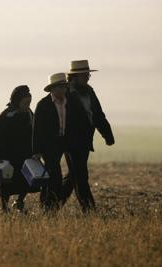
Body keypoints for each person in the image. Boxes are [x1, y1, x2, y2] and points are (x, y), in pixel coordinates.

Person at [63, 60, 115, 213]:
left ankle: (51, 206)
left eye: (88, 75)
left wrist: (107, 135)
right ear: (74, 76)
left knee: (73, 177)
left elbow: (98, 115)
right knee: (80, 175)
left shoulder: (89, 91)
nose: (88, 78)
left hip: (85, 142)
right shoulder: (65, 93)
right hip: (71, 142)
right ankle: (90, 211)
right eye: (85, 75)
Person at [0, 85, 37, 213]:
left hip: (25, 154)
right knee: (6, 182)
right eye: (25, 102)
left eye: (29, 102)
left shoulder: (29, 114)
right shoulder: (5, 116)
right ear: (17, 101)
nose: (28, 105)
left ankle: (20, 202)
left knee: (26, 180)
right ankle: (4, 207)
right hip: (9, 156)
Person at [32, 73, 73, 212]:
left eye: (64, 87)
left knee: (66, 175)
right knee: (55, 175)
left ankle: (50, 204)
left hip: (66, 142)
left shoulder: (70, 102)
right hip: (48, 146)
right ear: (52, 89)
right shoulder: (43, 105)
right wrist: (36, 151)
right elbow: (36, 130)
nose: (63, 90)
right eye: (60, 87)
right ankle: (49, 207)